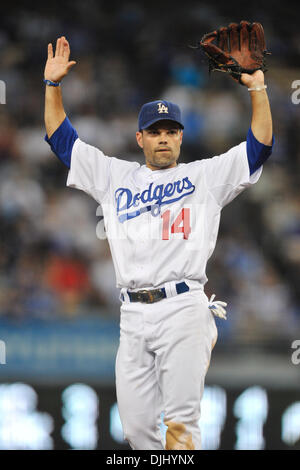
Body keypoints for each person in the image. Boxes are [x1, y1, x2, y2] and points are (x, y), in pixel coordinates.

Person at [43, 36, 273, 450]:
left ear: (181, 138)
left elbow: (259, 148)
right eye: (155, 132)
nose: (163, 137)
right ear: (140, 139)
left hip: (183, 307)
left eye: (171, 131)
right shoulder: (115, 176)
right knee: (136, 433)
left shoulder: (205, 176)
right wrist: (52, 86)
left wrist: (257, 88)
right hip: (131, 315)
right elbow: (62, 140)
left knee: (181, 425)